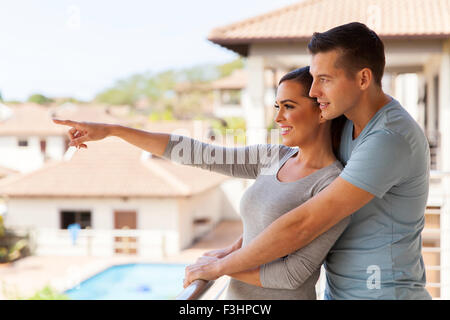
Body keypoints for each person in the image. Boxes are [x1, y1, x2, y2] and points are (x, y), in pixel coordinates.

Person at [182, 22, 432, 300]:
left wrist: (220, 267)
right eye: (313, 78)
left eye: (324, 79)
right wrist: (234, 249)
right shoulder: (346, 124)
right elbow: (282, 201)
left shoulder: (389, 139)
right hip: (339, 292)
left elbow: (303, 222)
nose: (313, 91)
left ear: (363, 79)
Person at [53, 66, 349, 299]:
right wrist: (113, 130)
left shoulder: (333, 184)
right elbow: (197, 153)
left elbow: (291, 274)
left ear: (321, 109)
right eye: (277, 107)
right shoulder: (274, 157)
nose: (278, 118)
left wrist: (217, 267)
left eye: (289, 106)